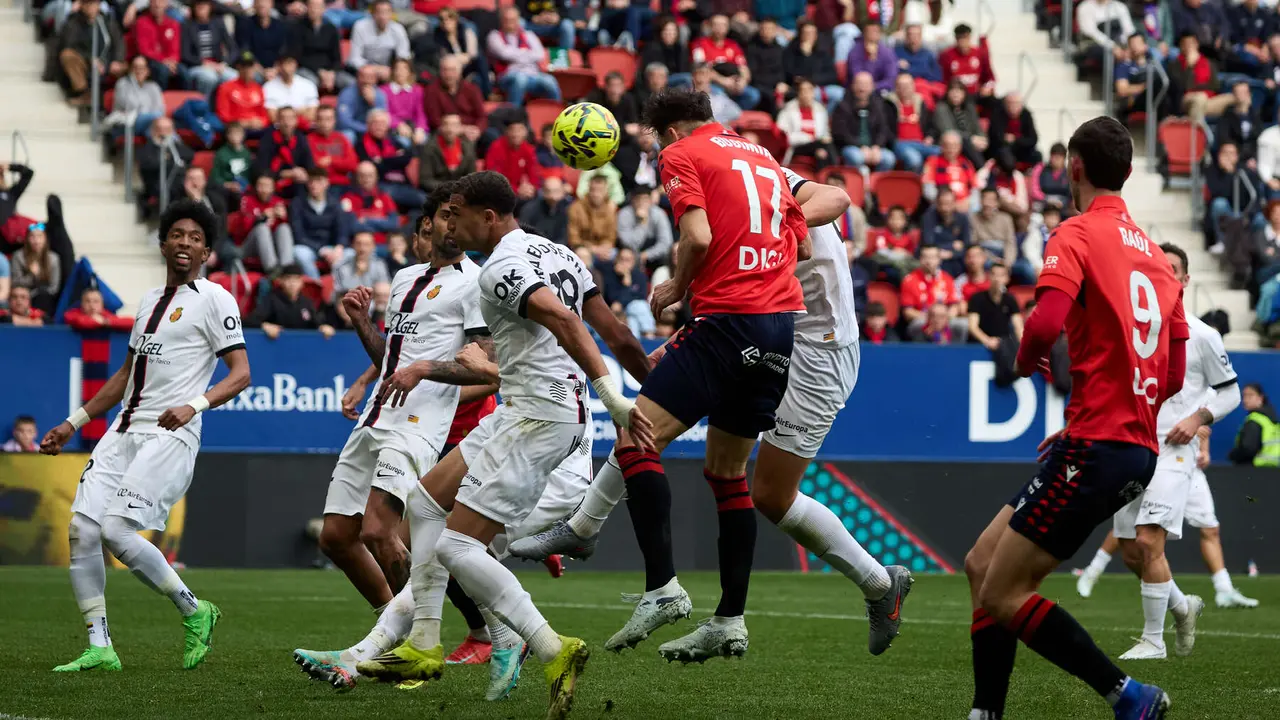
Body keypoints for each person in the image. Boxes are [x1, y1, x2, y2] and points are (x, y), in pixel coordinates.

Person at [515, 87, 813, 662]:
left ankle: (662, 588)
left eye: (653, 142)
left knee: (634, 432)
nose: (654, 153)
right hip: (779, 325)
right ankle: (730, 618)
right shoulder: (762, 157)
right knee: (728, 472)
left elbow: (697, 235)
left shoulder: (683, 154)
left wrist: (679, 285)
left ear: (670, 131)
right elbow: (796, 244)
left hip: (729, 320)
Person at [353, 171, 652, 718]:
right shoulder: (556, 252)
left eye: (458, 213)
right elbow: (614, 329)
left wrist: (616, 398)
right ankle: (422, 642)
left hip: (539, 416)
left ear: (487, 218)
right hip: (524, 407)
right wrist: (648, 381)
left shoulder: (499, 269)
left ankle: (550, 647)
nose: (450, 223)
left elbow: (565, 320)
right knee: (422, 503)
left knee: (457, 547)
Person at [963, 116, 1185, 720]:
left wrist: (1031, 361)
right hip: (1129, 444)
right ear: (1130, 173)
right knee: (981, 563)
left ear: (1074, 168)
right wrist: (1111, 414)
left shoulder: (1076, 233)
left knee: (1004, 591)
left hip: (1098, 444)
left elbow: (1042, 323)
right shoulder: (1163, 264)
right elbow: (1169, 375)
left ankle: (1129, 696)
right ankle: (986, 712)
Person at [39, 200, 251, 674]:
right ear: (162, 243)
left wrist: (193, 405)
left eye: (196, 238)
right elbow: (124, 376)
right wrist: (73, 422)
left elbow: (241, 374)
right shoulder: (149, 300)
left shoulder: (215, 299)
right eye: (177, 234)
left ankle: (195, 610)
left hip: (171, 434)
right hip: (122, 431)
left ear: (206, 252)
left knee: (116, 530)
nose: (185, 243)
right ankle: (100, 645)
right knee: (83, 529)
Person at [1077, 244, 1258, 615]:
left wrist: (1197, 420)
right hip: (1131, 447)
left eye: (1172, 268)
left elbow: (1230, 393)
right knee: (1130, 550)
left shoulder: (1202, 334)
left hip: (1175, 450)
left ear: (1185, 280)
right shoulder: (1128, 330)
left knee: (1151, 539)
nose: (1163, 274)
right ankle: (1180, 605)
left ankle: (1155, 638)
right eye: (1156, 267)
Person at [487, 7, 562, 107]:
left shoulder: (529, 35)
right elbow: (504, 54)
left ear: (518, 20)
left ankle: (557, 114)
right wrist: (527, 53)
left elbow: (540, 55)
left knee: (550, 80)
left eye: (513, 20)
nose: (510, 23)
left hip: (533, 75)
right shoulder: (494, 36)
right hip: (507, 76)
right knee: (520, 79)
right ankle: (513, 114)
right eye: (507, 20)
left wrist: (515, 55)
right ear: (501, 21)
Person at [56, 0, 126, 106]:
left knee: (136, 65)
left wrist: (117, 60)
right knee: (67, 55)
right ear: (81, 5)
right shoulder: (73, 22)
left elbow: (119, 42)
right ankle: (85, 94)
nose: (91, 7)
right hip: (86, 63)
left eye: (94, 3)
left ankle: (124, 100)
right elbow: (69, 45)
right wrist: (90, 59)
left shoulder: (107, 21)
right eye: (87, 4)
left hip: (108, 62)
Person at [689, 14, 760, 111]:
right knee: (719, 95)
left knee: (753, 95)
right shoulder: (699, 44)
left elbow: (743, 67)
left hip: (733, 82)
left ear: (728, 27)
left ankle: (733, 117)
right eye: (716, 25)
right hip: (712, 84)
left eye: (723, 25)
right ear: (710, 26)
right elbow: (701, 69)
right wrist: (723, 81)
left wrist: (742, 81)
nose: (719, 28)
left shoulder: (733, 45)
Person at [246, 263, 336, 338]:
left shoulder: (306, 303)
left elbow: (316, 323)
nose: (292, 283)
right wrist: (264, 326)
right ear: (281, 281)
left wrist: (324, 327)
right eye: (288, 278)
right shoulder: (271, 299)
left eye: (296, 279)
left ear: (302, 282)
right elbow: (250, 321)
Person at [832, 72, 897, 171]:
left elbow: (883, 129)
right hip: (850, 147)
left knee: (889, 158)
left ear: (872, 87)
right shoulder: (842, 106)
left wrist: (877, 146)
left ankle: (875, 183)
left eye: (866, 85)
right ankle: (859, 181)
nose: (862, 89)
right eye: (859, 84)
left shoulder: (879, 105)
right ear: (853, 86)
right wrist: (860, 146)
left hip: (873, 147)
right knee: (856, 157)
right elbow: (841, 134)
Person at [290, 0, 351, 94]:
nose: (314, 10)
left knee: (350, 83)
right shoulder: (298, 28)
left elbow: (337, 57)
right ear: (307, 8)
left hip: (329, 71)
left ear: (323, 9)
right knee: (311, 83)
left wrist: (331, 73)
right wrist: (319, 72)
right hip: (307, 69)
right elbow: (298, 57)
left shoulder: (331, 29)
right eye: (311, 6)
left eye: (317, 7)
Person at [181, 0, 238, 98]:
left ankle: (224, 109)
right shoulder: (187, 25)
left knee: (234, 77)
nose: (201, 7)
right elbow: (185, 55)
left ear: (210, 7)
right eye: (198, 4)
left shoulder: (218, 23)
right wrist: (204, 63)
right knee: (210, 78)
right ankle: (203, 106)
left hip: (218, 65)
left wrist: (225, 63)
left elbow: (233, 49)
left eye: (204, 4)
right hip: (197, 65)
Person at [776, 78, 837, 169]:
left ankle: (827, 175)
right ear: (798, 92)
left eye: (810, 90)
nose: (806, 94)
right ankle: (832, 174)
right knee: (823, 146)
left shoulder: (820, 109)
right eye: (803, 90)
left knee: (822, 151)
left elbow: (825, 133)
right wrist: (808, 138)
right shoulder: (788, 109)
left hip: (817, 146)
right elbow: (782, 136)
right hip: (796, 146)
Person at [967, 262, 1022, 351]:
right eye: (994, 274)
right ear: (988, 276)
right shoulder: (977, 298)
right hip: (979, 345)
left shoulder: (1010, 300)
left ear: (1007, 279)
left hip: (1003, 346)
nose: (997, 279)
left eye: (1001, 275)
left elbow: (1019, 327)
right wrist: (987, 340)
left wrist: (1024, 346)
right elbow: (972, 326)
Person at [107, 55, 165, 139]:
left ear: (147, 71)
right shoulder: (122, 84)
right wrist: (135, 83)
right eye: (135, 67)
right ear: (130, 70)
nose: (138, 71)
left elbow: (160, 109)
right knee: (158, 121)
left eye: (142, 68)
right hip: (127, 122)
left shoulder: (154, 87)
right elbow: (128, 106)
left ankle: (174, 147)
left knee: (154, 131)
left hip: (150, 123)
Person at [215, 52, 270, 134]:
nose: (248, 70)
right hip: (235, 128)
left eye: (250, 66)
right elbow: (223, 115)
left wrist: (261, 122)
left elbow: (264, 115)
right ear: (238, 67)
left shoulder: (258, 88)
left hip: (256, 127)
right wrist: (241, 122)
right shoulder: (226, 87)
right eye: (244, 66)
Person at [134, 0, 182, 89]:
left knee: (184, 73)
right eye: (154, 2)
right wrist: (163, 60)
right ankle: (160, 100)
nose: (157, 5)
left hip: (170, 62)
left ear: (166, 4)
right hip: (150, 61)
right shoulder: (141, 22)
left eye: (161, 2)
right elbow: (144, 49)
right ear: (149, 4)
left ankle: (186, 101)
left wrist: (172, 61)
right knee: (162, 70)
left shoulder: (173, 24)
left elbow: (175, 48)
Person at [1229, 383, 1279, 465]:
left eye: (1250, 395)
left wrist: (1232, 455)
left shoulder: (1254, 420)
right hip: (1273, 471)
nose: (1245, 400)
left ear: (1261, 398)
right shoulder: (1272, 420)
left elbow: (1248, 449)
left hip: (1253, 471)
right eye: (1244, 396)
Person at [382, 58, 428, 147]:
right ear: (393, 71)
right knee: (404, 143)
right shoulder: (384, 91)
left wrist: (420, 128)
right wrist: (398, 125)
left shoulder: (417, 90)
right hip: (393, 128)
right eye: (397, 69)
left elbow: (421, 113)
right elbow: (385, 112)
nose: (400, 72)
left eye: (404, 68)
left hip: (412, 126)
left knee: (423, 141)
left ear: (409, 72)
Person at [264, 55, 320, 126]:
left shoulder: (308, 85)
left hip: (304, 129)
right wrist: (301, 111)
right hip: (278, 129)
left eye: (291, 63)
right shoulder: (268, 87)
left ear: (296, 64)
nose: (288, 67)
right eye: (285, 63)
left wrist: (282, 113)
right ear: (278, 66)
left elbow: (312, 115)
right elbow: (272, 117)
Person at [518, 175, 572, 245]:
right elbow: (523, 234)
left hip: (558, 249)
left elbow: (564, 237)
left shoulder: (567, 209)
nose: (553, 196)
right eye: (549, 191)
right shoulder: (530, 209)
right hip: (534, 247)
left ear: (562, 192)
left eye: (556, 191)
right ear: (543, 191)